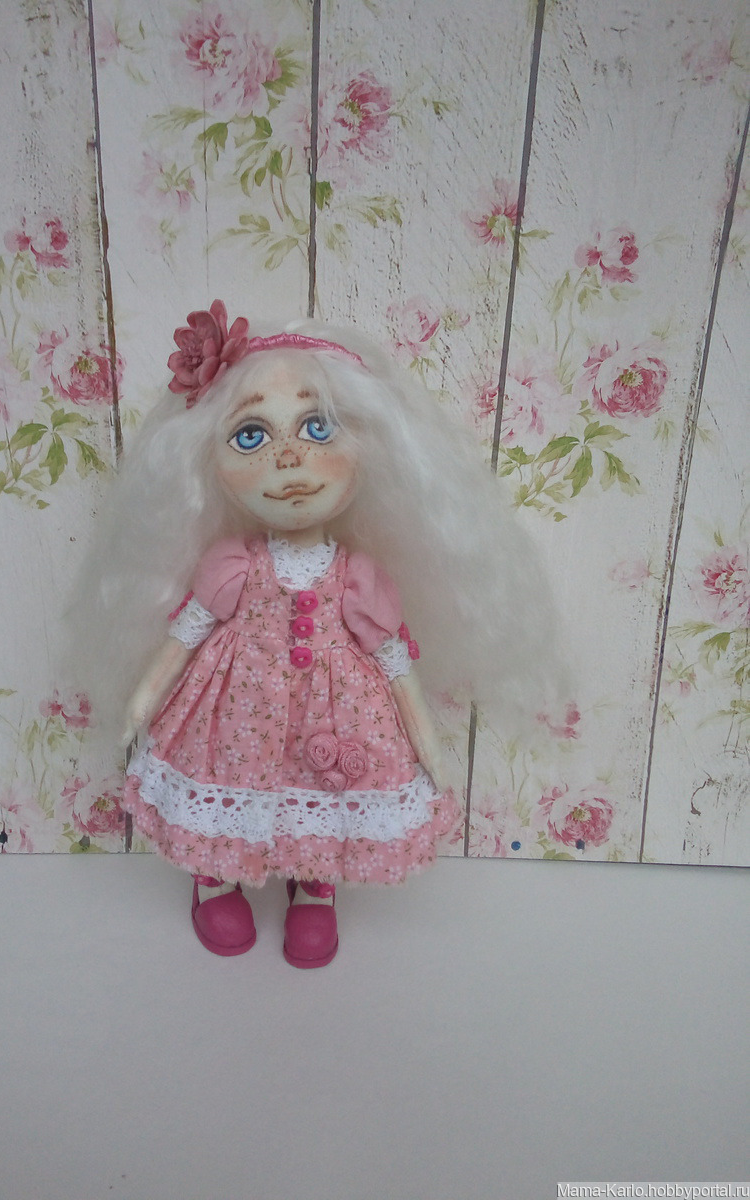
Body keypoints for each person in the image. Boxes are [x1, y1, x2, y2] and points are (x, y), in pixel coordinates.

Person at [72, 301, 557, 967]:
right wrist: (141, 701)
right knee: (222, 776)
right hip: (234, 713)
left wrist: (426, 743)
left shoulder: (358, 579)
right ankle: (214, 877)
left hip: (336, 712)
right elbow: (185, 636)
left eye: (317, 427)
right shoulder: (233, 566)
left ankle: (314, 885)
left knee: (326, 794)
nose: (290, 457)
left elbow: (393, 661)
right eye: (251, 436)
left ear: (371, 449)